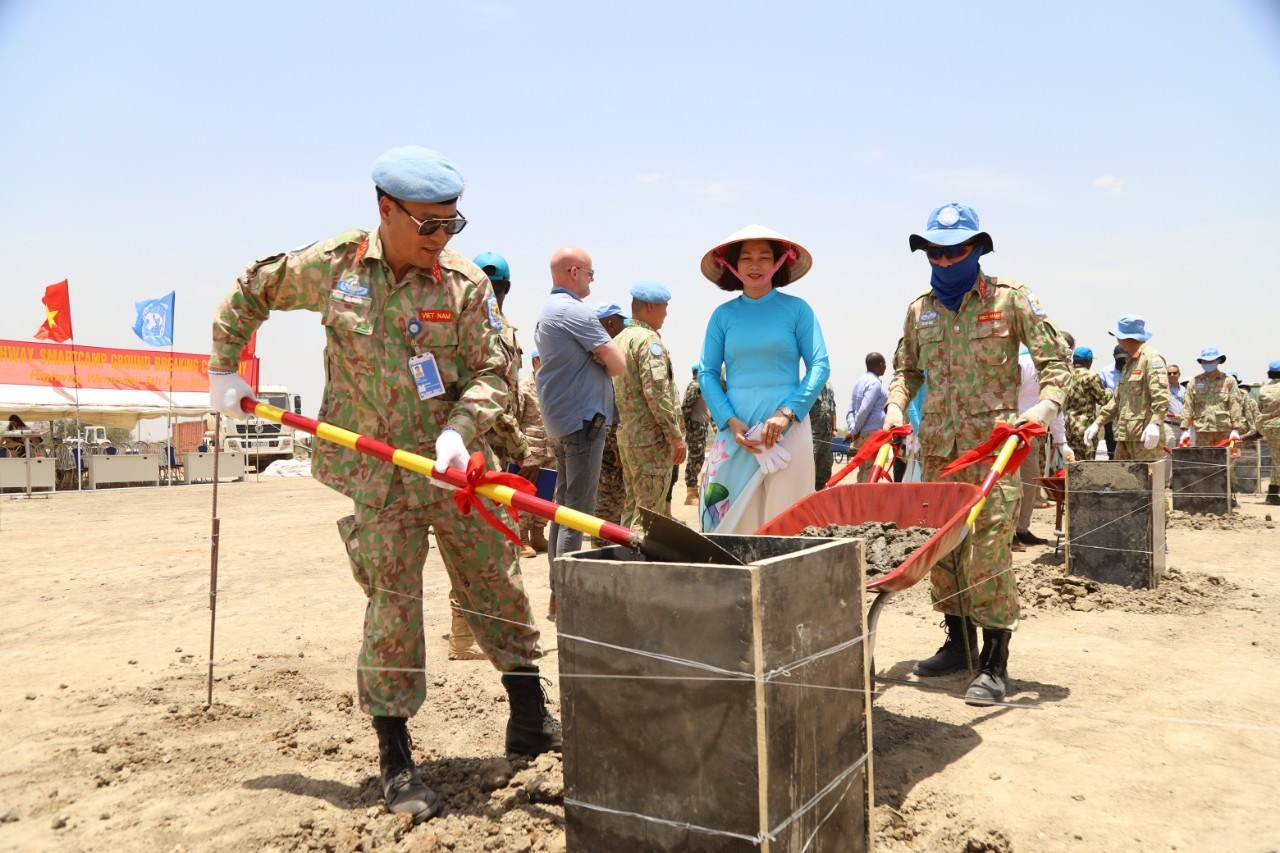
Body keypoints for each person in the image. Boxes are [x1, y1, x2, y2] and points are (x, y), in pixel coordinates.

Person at [207, 146, 559, 824]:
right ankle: (396, 760)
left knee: (495, 583)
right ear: (385, 210)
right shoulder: (338, 266)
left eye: (452, 224)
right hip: (378, 475)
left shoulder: (465, 285)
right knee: (393, 606)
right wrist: (226, 367)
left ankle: (529, 716)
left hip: (456, 470)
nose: (442, 239)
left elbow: (494, 370)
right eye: (429, 224)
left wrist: (460, 429)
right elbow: (254, 286)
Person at [887, 202, 1069, 706]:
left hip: (994, 452)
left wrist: (1047, 406)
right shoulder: (919, 310)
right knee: (943, 549)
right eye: (933, 252)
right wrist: (896, 406)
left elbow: (1056, 361)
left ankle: (994, 662)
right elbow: (908, 369)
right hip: (940, 453)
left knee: (987, 552)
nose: (943, 261)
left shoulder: (1012, 300)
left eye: (955, 251)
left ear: (977, 249)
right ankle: (957, 640)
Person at [696, 224, 830, 533]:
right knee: (725, 523)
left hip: (788, 428)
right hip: (736, 431)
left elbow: (819, 366)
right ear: (732, 264)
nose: (755, 265)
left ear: (779, 262)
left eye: (764, 257)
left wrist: (786, 414)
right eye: (746, 258)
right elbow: (708, 373)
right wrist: (729, 420)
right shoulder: (722, 316)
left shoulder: (798, 310)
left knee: (787, 521)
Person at [446, 251, 540, 661]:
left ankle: (464, 637)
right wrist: (519, 445)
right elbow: (490, 397)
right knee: (484, 543)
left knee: (472, 541)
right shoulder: (479, 329)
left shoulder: (494, 327)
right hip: (476, 444)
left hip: (483, 443)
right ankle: (469, 638)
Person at [533, 250, 625, 617]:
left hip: (564, 421)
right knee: (578, 512)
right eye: (589, 273)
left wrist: (594, 357)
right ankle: (569, 597)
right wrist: (600, 357)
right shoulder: (574, 311)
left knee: (561, 508)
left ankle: (560, 591)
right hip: (583, 422)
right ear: (573, 272)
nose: (592, 280)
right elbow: (617, 364)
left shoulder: (548, 311)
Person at [611, 281, 687, 528]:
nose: (666, 313)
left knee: (632, 506)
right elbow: (657, 392)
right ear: (651, 307)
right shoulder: (647, 342)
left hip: (629, 438)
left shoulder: (620, 340)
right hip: (650, 440)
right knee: (648, 515)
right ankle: (640, 565)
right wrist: (675, 435)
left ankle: (623, 562)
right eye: (664, 307)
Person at [1083, 316, 1170, 462]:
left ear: (1122, 338)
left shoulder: (1151, 359)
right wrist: (1098, 423)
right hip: (1125, 436)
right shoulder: (1130, 363)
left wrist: (1155, 423)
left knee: (1147, 481)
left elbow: (1161, 396)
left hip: (1145, 437)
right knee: (1122, 481)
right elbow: (1117, 400)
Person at [1012, 346, 1072, 550]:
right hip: (1010, 433)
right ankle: (1007, 534)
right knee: (1009, 486)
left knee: (1030, 482)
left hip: (1032, 435)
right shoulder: (1025, 365)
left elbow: (1055, 408)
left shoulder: (1056, 373)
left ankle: (1021, 529)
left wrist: (1062, 442)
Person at [589, 303, 628, 548]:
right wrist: (616, 444)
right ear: (610, 324)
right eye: (622, 323)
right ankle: (601, 545)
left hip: (604, 433)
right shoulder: (600, 356)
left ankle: (604, 542)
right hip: (605, 434)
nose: (625, 328)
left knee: (612, 494)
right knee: (607, 494)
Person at [514, 349, 554, 558]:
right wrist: (520, 452)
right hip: (530, 452)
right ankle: (522, 539)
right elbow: (515, 420)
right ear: (536, 361)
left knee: (545, 494)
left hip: (550, 450)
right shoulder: (523, 388)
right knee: (524, 494)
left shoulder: (553, 386)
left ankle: (538, 535)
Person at [1179, 347, 1243, 449]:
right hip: (1202, 430)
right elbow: (1188, 406)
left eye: (1211, 361)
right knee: (1205, 461)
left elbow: (1235, 405)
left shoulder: (1229, 381)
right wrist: (1184, 429)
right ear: (1201, 362)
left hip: (1224, 429)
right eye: (1205, 361)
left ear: (1218, 361)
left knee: (1225, 461)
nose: (1208, 363)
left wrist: (1236, 428)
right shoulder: (1194, 382)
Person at [844, 353, 888, 482]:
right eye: (884, 364)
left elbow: (850, 410)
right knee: (871, 470)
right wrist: (854, 430)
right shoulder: (875, 384)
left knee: (863, 469)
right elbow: (864, 409)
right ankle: (866, 500)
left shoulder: (859, 382)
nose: (886, 367)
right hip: (872, 434)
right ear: (880, 365)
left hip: (862, 434)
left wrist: (853, 428)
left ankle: (859, 500)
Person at [1064, 346, 1112, 461]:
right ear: (1088, 360)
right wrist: (1110, 392)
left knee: (1070, 461)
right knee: (1087, 463)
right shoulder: (1091, 376)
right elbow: (1103, 400)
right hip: (1085, 425)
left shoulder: (1066, 374)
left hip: (1067, 424)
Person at [680, 364, 710, 504]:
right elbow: (686, 406)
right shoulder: (695, 386)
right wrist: (687, 425)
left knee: (699, 459)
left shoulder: (702, 387)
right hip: (695, 427)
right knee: (694, 459)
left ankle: (694, 491)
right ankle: (691, 493)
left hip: (701, 427)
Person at [1257, 360, 1280, 505]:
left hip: (1267, 427)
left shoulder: (1264, 389)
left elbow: (1260, 408)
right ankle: (1272, 494)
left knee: (1277, 459)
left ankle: (1272, 493)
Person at [1098, 345, 1127, 459]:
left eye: (1124, 359)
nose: (1122, 362)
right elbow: (1101, 396)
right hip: (1111, 418)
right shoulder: (1104, 372)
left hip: (1130, 418)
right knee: (1112, 450)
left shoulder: (1134, 371)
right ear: (1114, 357)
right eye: (1119, 359)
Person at [811, 380, 837, 490]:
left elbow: (833, 409)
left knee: (825, 468)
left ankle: (820, 496)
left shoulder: (829, 386)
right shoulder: (807, 385)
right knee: (810, 469)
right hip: (812, 436)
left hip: (827, 435)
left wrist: (834, 428)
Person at [1164, 364, 1186, 448]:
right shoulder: (1163, 389)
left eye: (1174, 373)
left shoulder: (1184, 389)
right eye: (1169, 373)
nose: (1172, 375)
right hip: (1168, 426)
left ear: (1179, 374)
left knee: (1181, 455)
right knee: (1169, 456)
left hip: (1182, 427)